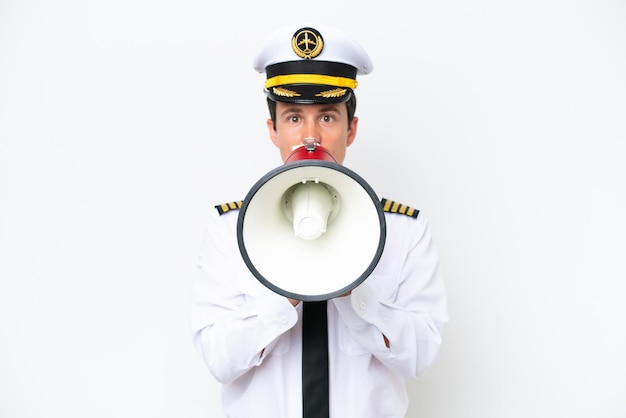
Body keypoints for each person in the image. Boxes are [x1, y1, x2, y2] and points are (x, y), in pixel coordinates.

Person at [191, 24, 448, 418]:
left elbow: (420, 357)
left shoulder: (403, 230)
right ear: (272, 130)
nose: (310, 138)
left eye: (327, 117)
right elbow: (220, 360)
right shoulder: (230, 230)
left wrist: (352, 291)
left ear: (352, 128)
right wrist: (287, 286)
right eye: (293, 118)